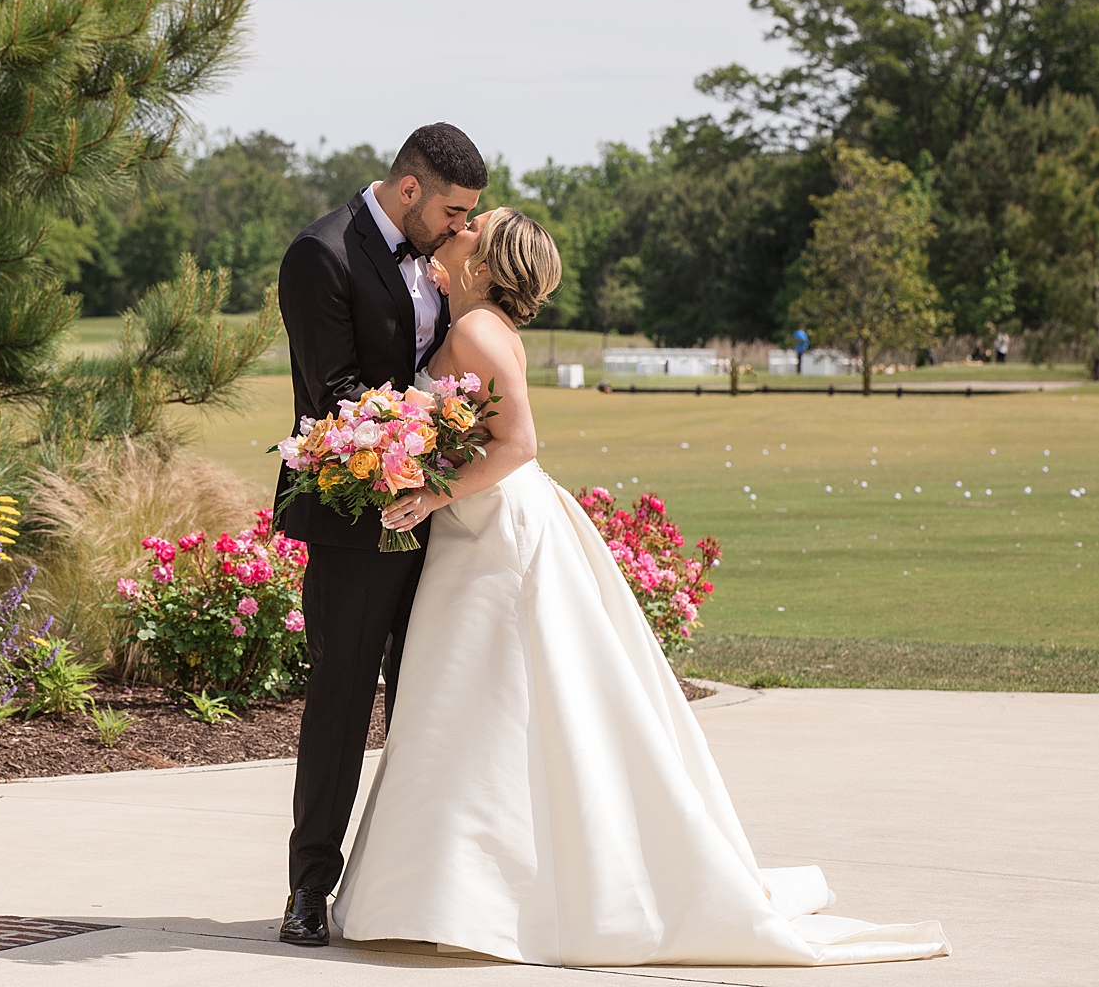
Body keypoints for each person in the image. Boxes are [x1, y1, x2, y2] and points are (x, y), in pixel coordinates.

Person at [333, 208, 952, 967]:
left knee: (474, 701)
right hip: (486, 530)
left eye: (470, 227)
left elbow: (520, 445)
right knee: (481, 707)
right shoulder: (481, 326)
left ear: (485, 261)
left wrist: (429, 494)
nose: (452, 229)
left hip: (493, 535)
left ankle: (467, 897)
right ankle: (465, 894)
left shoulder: (473, 333)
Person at [273, 123, 487, 947]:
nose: (462, 226)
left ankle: (417, 891)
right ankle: (307, 890)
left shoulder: (440, 259)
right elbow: (336, 395)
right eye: (453, 209)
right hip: (352, 518)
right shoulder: (319, 254)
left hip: (440, 515)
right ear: (409, 191)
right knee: (340, 702)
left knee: (429, 700)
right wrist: (438, 433)